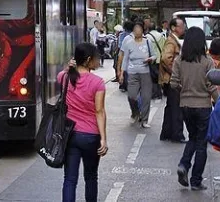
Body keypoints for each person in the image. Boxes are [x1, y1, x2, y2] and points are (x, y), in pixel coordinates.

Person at [170, 26, 219, 191]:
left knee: (192, 137)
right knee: (201, 143)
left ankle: (184, 165)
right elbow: (211, 86)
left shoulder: (179, 60)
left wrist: (185, 91)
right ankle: (196, 180)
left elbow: (173, 83)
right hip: (203, 106)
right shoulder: (207, 61)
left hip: (185, 106)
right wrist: (219, 102)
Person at [58, 43, 107, 202]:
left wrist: (69, 67)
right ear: (88, 60)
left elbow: (62, 74)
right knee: (91, 177)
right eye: (96, 57)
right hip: (91, 136)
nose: (98, 60)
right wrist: (103, 139)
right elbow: (99, 111)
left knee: (69, 179)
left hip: (70, 134)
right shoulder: (98, 82)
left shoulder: (64, 77)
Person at [119, 21, 156, 128]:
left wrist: (150, 59)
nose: (137, 31)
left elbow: (154, 55)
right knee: (132, 95)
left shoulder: (148, 42)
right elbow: (125, 59)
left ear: (142, 30)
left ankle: (144, 120)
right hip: (132, 72)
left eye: (139, 29)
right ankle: (135, 112)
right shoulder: (129, 43)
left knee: (146, 97)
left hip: (145, 73)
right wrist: (121, 73)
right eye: (135, 29)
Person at [160, 17, 187, 142]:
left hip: (169, 78)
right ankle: (176, 134)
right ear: (173, 28)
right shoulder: (171, 41)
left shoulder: (174, 40)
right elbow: (165, 58)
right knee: (176, 107)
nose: (183, 28)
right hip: (171, 79)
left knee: (171, 106)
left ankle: (167, 133)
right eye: (181, 26)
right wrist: (175, 72)